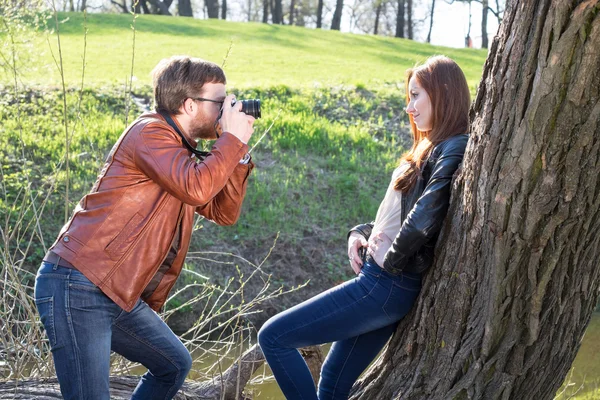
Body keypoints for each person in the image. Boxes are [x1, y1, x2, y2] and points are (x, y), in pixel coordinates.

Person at [34, 56, 256, 400]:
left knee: (173, 364)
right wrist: (231, 143)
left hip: (116, 292)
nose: (228, 108)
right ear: (188, 104)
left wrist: (237, 152)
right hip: (80, 283)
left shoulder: (183, 153)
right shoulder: (150, 133)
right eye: (220, 101)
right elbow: (196, 187)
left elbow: (221, 210)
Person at [258, 55, 471, 400]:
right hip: (384, 282)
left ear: (443, 92)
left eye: (416, 95)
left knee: (273, 336)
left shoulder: (454, 146)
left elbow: (426, 215)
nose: (409, 108)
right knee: (333, 380)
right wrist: (360, 232)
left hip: (385, 283)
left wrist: (390, 260)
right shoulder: (432, 145)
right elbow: (398, 212)